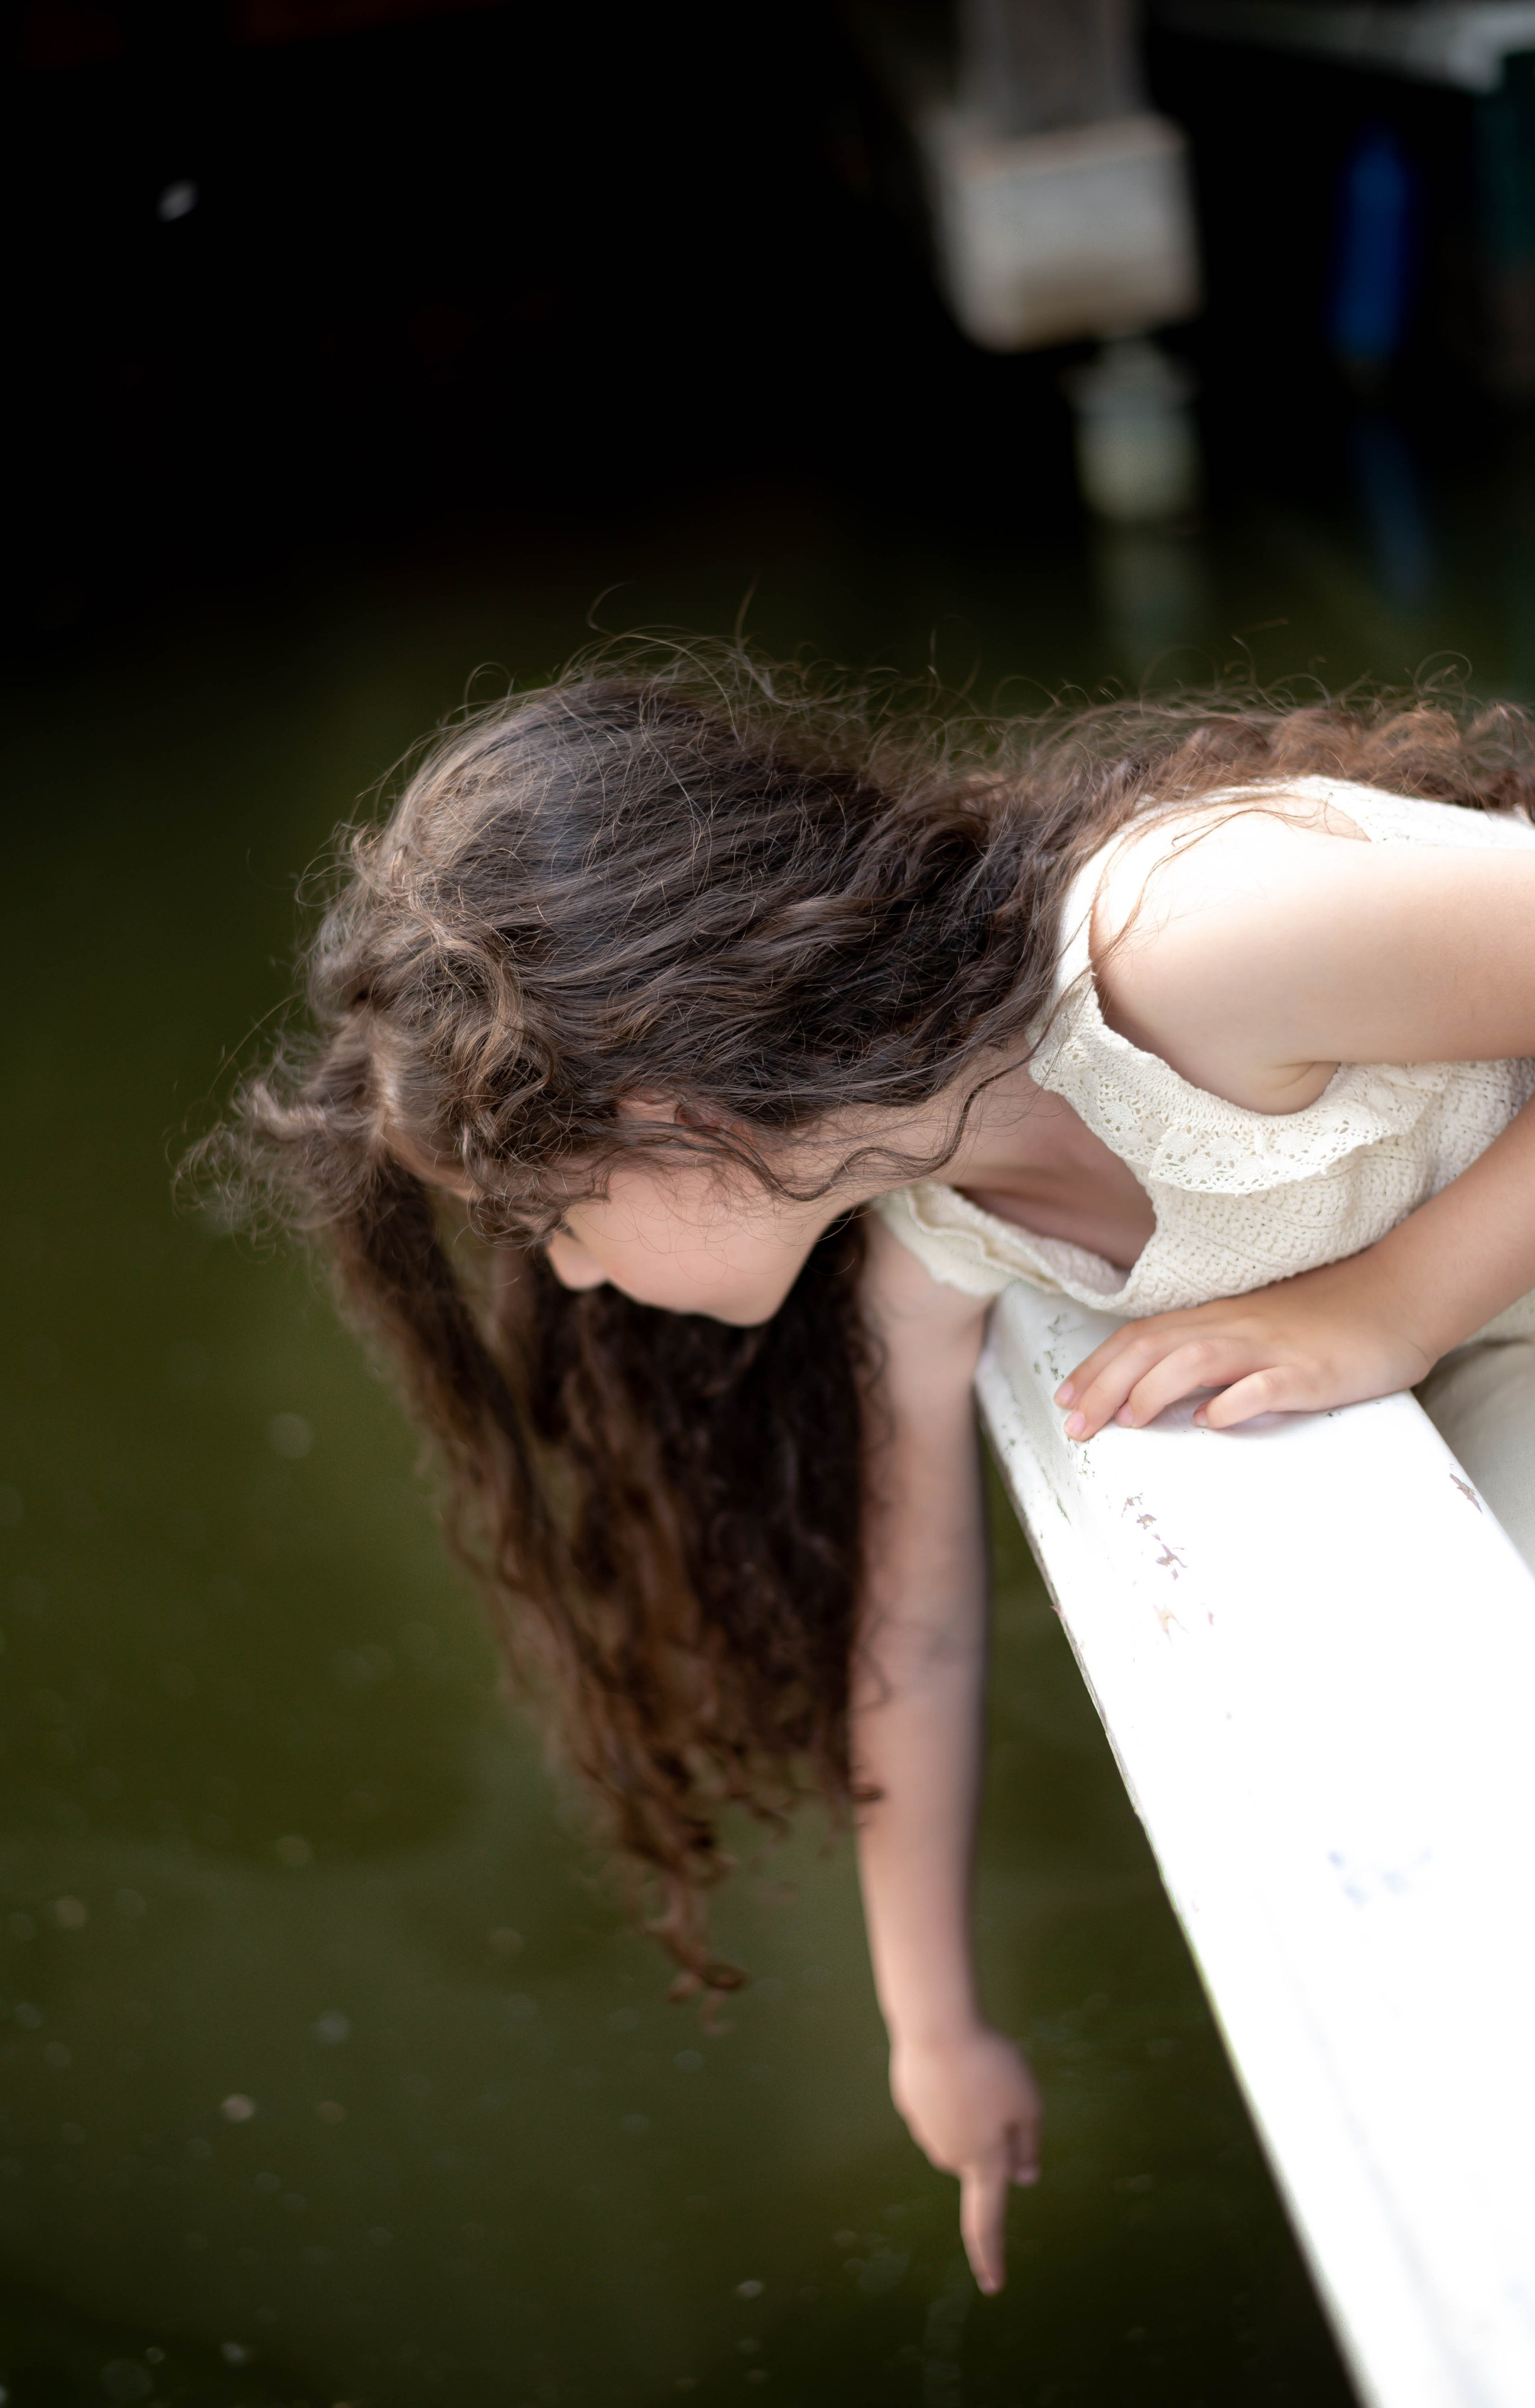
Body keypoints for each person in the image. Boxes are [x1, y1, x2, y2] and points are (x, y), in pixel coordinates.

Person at [207, 647, 1535, 2297]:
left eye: (553, 1214)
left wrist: (1390, 1303)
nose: (558, 1277)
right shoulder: (933, 1234)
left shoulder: (1193, 941)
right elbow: (914, 1627)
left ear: (672, 1096)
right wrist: (934, 2019)